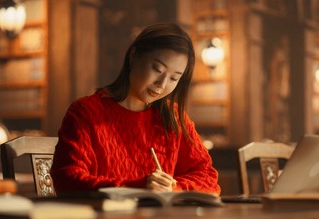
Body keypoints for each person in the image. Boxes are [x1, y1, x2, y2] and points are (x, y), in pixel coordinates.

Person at [50, 23, 220, 195]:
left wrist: (173, 187)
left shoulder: (172, 116)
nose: (162, 84)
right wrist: (138, 188)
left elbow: (208, 178)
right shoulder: (86, 112)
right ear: (133, 56)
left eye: (174, 79)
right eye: (157, 69)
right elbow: (67, 179)